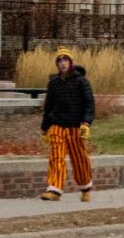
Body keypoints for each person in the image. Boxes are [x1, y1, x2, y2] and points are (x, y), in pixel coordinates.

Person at [40, 50, 95, 201]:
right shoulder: (54, 83)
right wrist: (45, 129)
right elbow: (48, 107)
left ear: (70, 63)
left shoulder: (81, 81)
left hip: (75, 127)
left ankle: (85, 188)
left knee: (79, 158)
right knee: (56, 157)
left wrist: (86, 123)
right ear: (57, 64)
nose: (63, 63)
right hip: (57, 125)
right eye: (60, 61)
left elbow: (89, 104)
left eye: (65, 60)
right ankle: (54, 190)